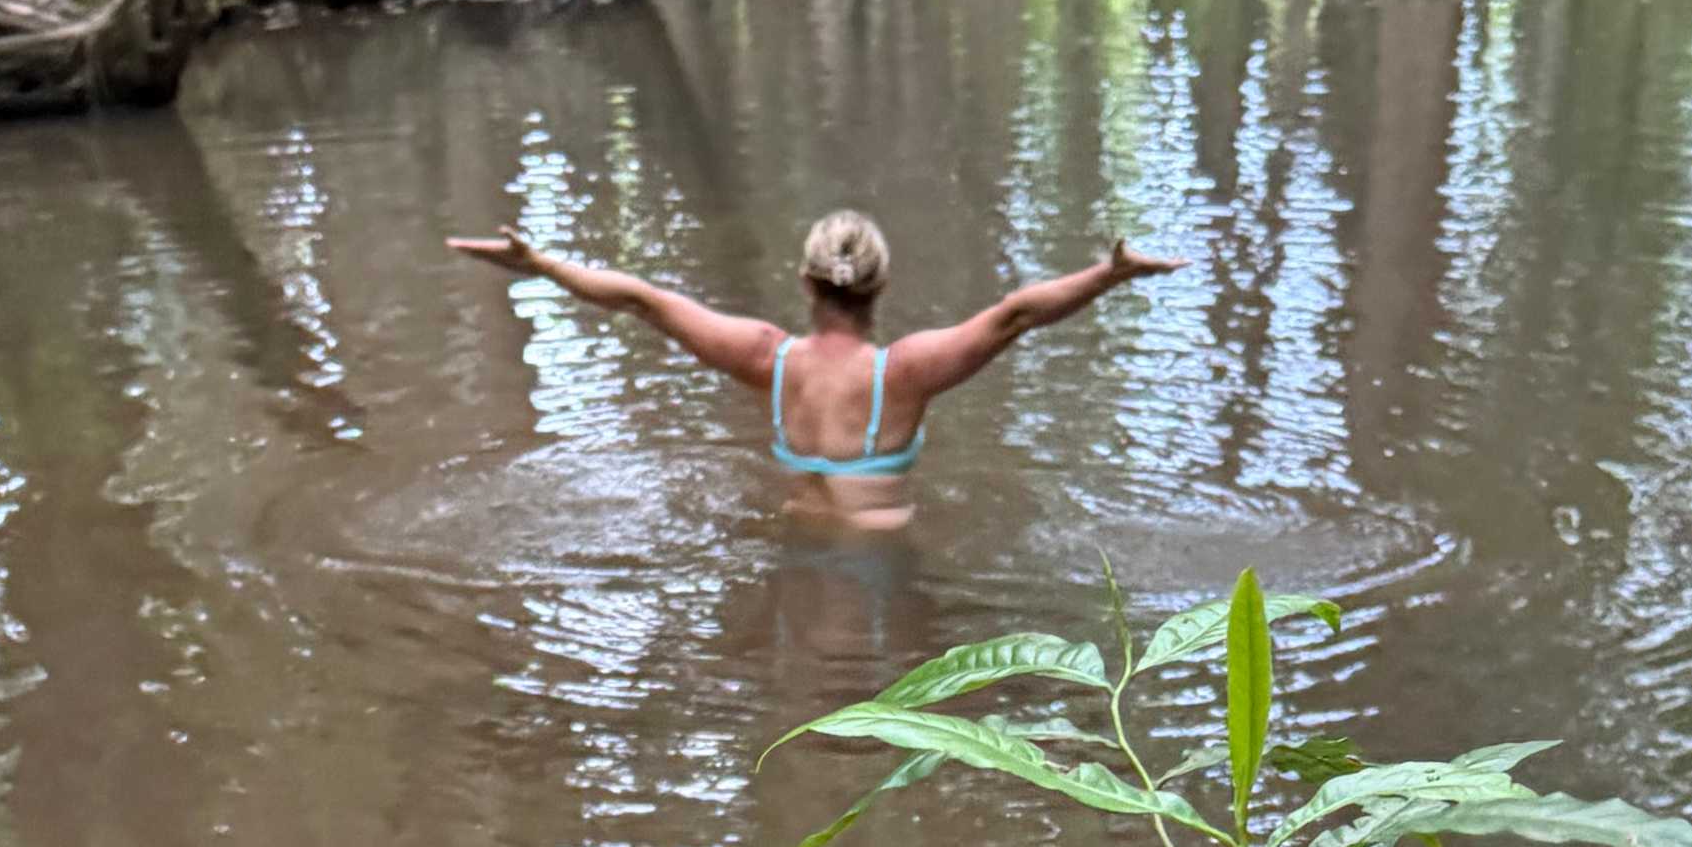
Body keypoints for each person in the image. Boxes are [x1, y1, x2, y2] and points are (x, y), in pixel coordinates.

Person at [449, 208, 1170, 526]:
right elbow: (1017, 313)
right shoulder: (907, 371)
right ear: (880, 286)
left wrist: (539, 262)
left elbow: (643, 299)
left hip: (794, 548)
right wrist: (1107, 275)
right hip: (880, 565)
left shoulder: (769, 359)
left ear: (805, 281)